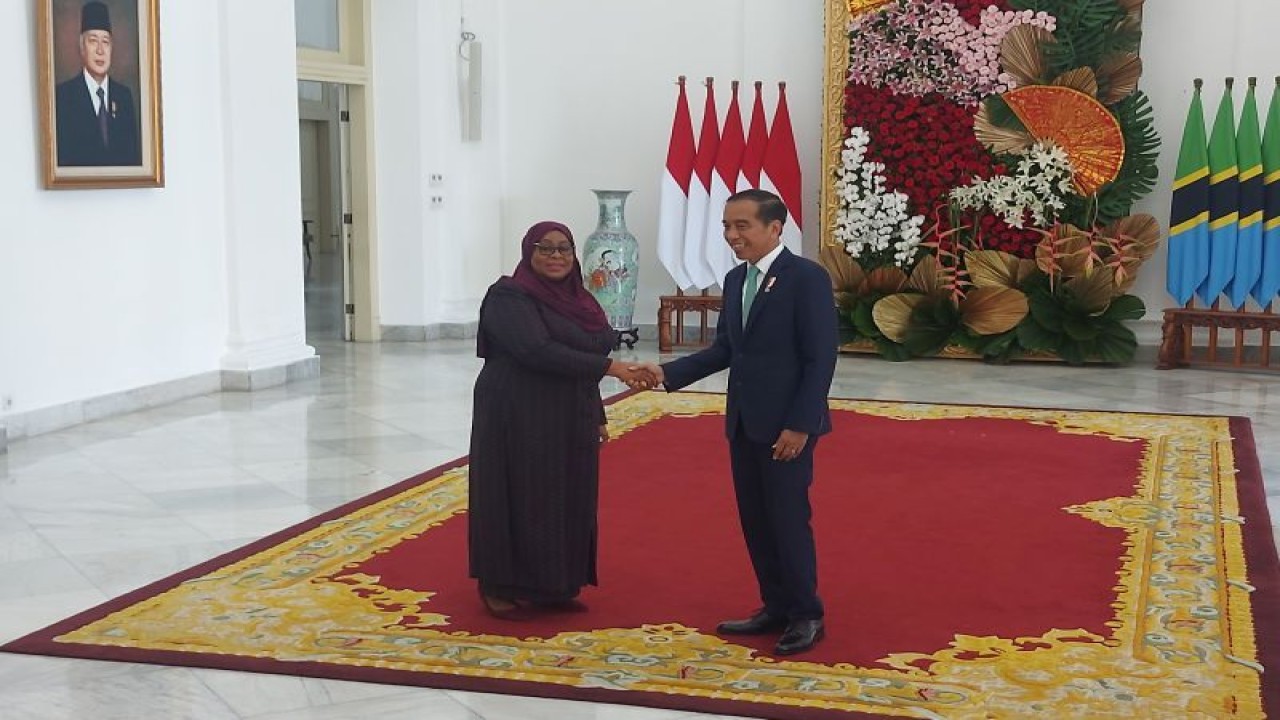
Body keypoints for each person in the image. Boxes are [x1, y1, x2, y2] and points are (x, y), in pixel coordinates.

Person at [634, 189, 837, 655]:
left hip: (787, 426)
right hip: (744, 423)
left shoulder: (805, 278)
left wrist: (801, 425)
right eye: (727, 226)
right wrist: (667, 374)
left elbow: (819, 356)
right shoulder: (734, 279)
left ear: (775, 227)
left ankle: (807, 614)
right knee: (757, 520)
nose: (731, 235)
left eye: (742, 226)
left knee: (786, 519)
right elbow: (727, 349)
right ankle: (776, 605)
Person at [468, 220, 645, 619]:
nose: (555, 256)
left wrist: (596, 411)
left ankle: (553, 584)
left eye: (563, 249)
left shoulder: (581, 300)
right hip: (515, 408)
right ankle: (498, 584)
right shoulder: (509, 296)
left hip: (567, 409)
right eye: (544, 248)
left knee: (565, 493)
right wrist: (613, 368)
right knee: (515, 492)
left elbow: (581, 355)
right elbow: (535, 350)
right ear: (528, 253)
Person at [54, 1, 141, 167]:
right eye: (93, 41)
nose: (100, 50)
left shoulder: (123, 96)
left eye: (106, 42)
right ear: (82, 47)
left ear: (112, 48)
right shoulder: (63, 96)